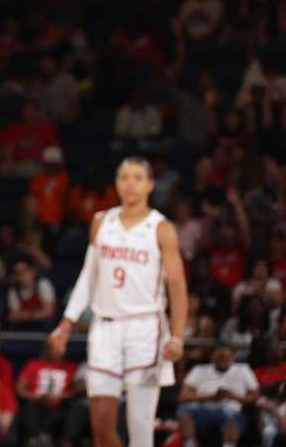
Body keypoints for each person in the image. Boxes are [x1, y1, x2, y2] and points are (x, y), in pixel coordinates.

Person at [48, 157, 188, 447]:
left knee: (140, 432)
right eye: (124, 177)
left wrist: (177, 336)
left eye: (138, 178)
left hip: (145, 328)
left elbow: (177, 286)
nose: (130, 184)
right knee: (101, 428)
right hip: (105, 328)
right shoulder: (101, 222)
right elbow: (88, 277)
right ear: (116, 183)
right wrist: (66, 324)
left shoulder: (160, 228)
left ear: (150, 185)